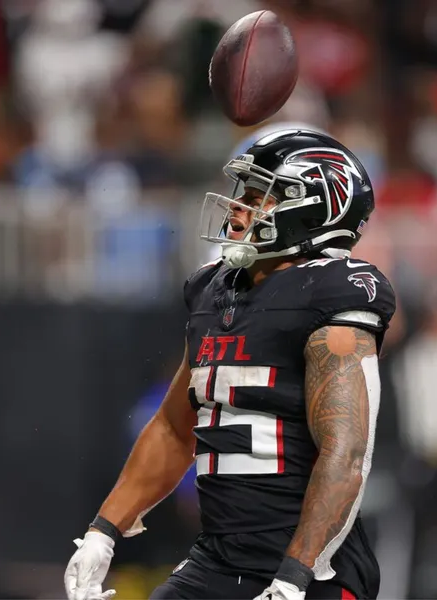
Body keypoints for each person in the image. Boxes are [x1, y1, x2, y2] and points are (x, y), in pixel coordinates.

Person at [63, 129, 396, 600]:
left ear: (314, 211)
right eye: (243, 194)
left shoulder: (330, 296)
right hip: (220, 558)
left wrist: (293, 578)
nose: (238, 209)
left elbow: (345, 455)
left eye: (259, 198)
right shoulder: (216, 292)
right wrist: (103, 531)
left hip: (313, 568)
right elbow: (174, 429)